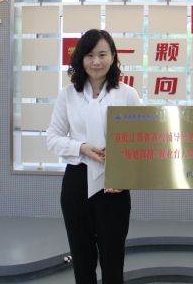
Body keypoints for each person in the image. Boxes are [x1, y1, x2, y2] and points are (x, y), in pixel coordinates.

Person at [46, 29, 140, 284]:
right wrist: (81, 147)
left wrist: (124, 174)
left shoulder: (127, 94)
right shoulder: (68, 94)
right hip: (77, 181)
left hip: (114, 183)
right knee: (82, 260)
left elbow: (140, 140)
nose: (96, 61)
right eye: (89, 55)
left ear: (113, 57)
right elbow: (52, 138)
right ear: (80, 58)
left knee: (113, 261)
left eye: (102, 54)